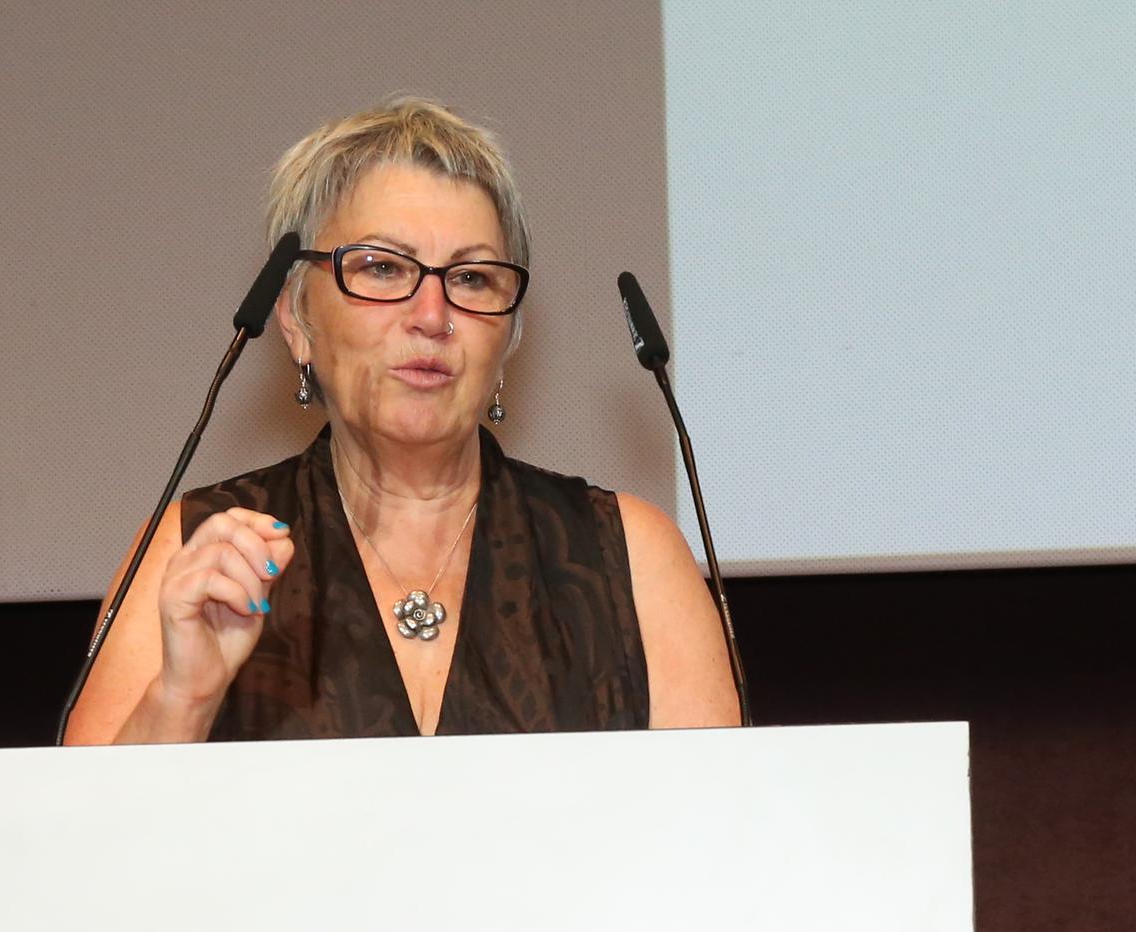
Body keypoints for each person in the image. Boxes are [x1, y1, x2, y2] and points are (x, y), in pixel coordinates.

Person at [62, 97, 740, 744]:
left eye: (473, 279)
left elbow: (726, 833)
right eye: (383, 268)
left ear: (508, 340)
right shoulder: (198, 554)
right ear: (296, 321)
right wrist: (184, 696)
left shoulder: (626, 558)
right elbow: (75, 848)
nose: (432, 316)